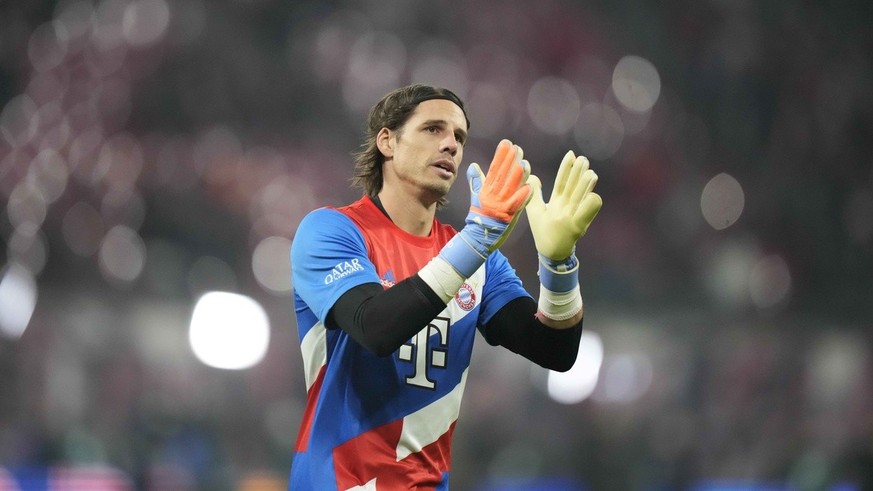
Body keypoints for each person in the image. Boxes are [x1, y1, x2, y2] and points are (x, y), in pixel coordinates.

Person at [289, 83, 602, 490]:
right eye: (433, 129)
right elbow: (375, 327)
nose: (451, 145)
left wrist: (559, 266)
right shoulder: (333, 230)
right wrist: (475, 241)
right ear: (388, 141)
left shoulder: (479, 259)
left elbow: (555, 352)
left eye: (459, 136)